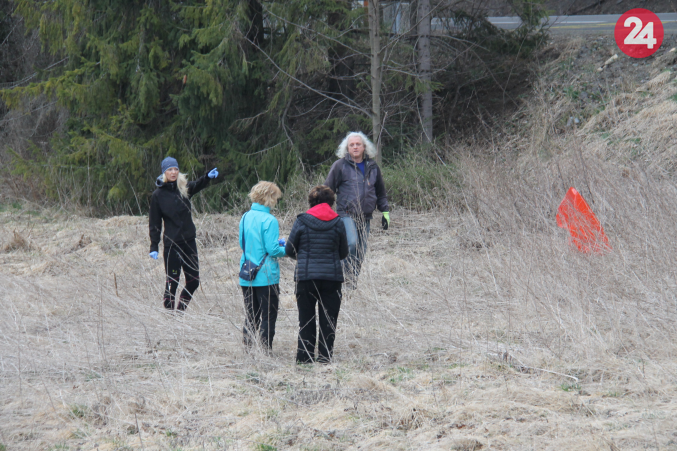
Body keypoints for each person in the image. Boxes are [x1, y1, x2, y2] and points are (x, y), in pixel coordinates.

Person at [285, 185, 349, 364]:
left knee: (306, 320)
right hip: (332, 278)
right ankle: (324, 359)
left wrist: (302, 257)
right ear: (331, 202)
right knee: (329, 320)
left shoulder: (301, 221)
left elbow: (289, 249)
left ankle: (304, 359)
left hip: (306, 278)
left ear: (311, 202)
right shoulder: (338, 222)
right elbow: (344, 252)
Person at [149, 157, 218, 311]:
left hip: (189, 243)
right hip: (172, 246)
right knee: (172, 284)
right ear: (164, 172)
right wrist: (154, 246)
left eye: (175, 169)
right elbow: (154, 223)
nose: (173, 172)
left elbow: (198, 184)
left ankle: (180, 313)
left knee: (193, 282)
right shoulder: (158, 196)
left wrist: (207, 177)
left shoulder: (184, 189)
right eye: (169, 170)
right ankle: (170, 317)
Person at [324, 131, 389, 289]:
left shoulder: (373, 167)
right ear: (347, 148)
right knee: (351, 244)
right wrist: (323, 211)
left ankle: (351, 283)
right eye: (351, 145)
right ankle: (343, 279)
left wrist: (385, 212)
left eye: (358, 144)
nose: (355, 147)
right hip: (346, 214)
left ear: (364, 147)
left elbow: (380, 192)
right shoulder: (339, 166)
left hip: (365, 216)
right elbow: (327, 189)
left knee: (360, 251)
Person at [239, 181, 287, 351]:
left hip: (247, 273)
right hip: (266, 276)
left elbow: (242, 243)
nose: (276, 201)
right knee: (268, 316)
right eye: (276, 198)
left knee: (251, 315)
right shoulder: (270, 220)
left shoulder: (245, 217)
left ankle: (248, 349)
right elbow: (273, 250)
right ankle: (266, 351)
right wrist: (287, 249)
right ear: (269, 197)